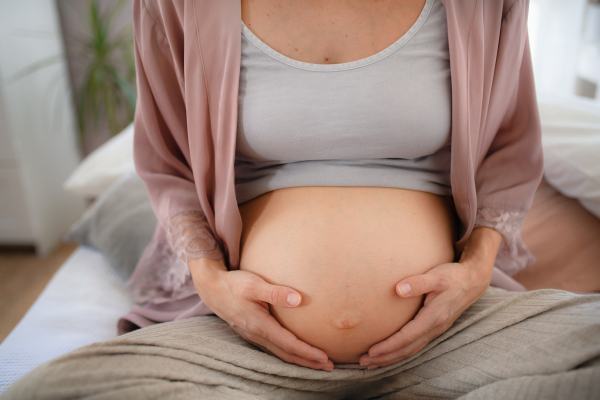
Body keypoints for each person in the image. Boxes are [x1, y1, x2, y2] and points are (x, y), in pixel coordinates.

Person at [119, 0, 543, 371]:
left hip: (451, 330)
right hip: (242, 339)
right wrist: (212, 284)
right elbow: (169, 160)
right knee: (75, 384)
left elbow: (510, 145)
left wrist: (476, 270)